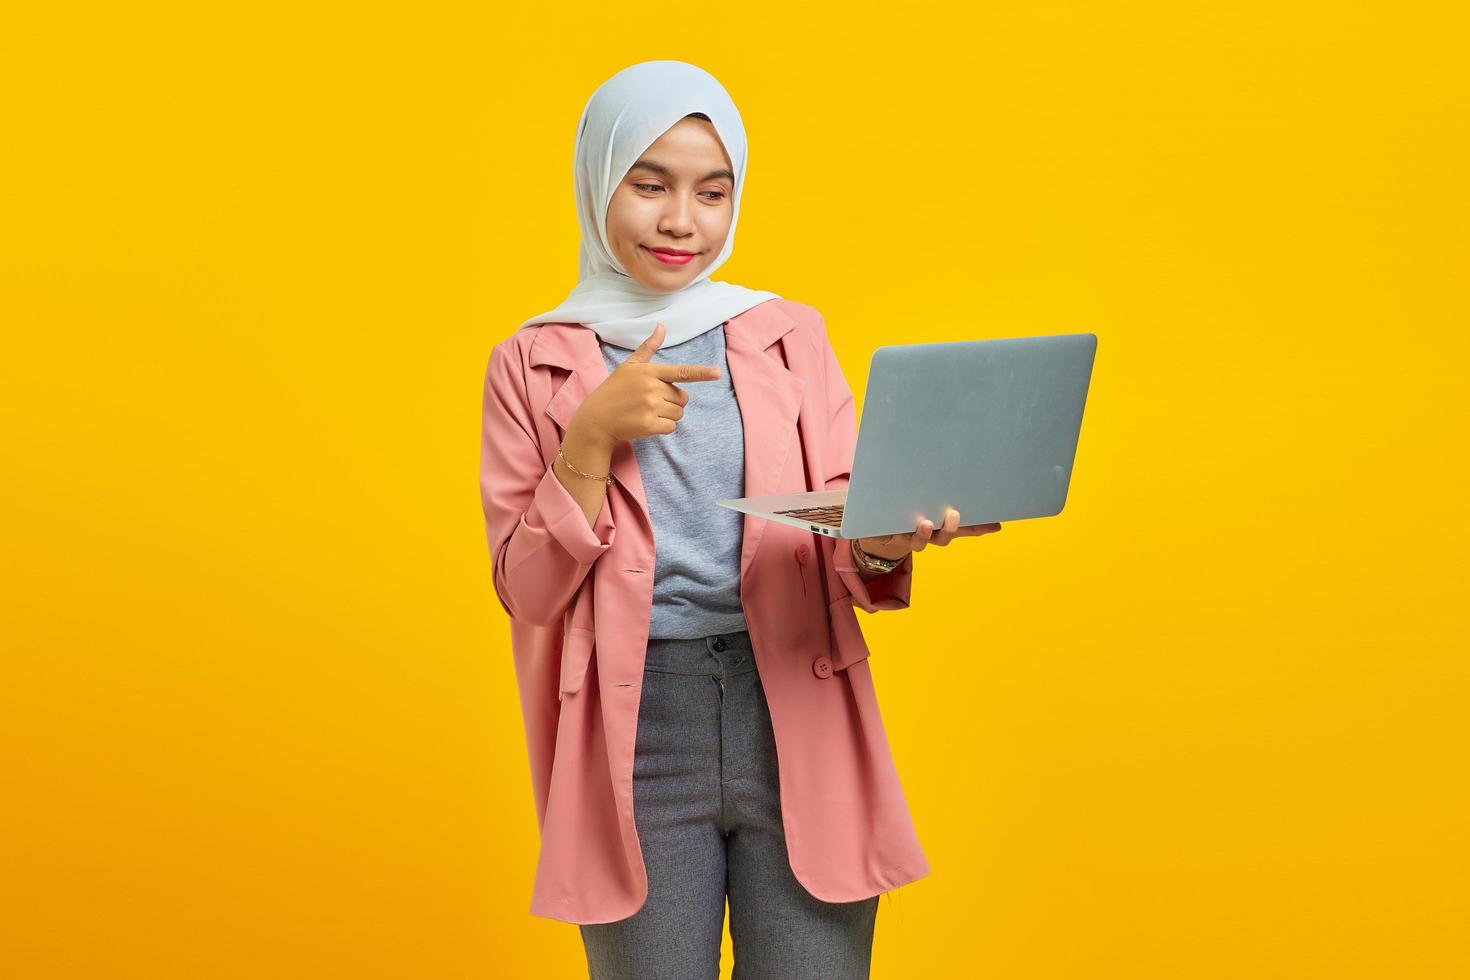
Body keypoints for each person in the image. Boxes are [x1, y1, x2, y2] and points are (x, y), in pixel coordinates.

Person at [479, 59, 1002, 979]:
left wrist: (889, 536)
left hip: (794, 703)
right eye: (650, 185)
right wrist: (591, 438)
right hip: (635, 729)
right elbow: (527, 594)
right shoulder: (533, 360)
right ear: (599, 179)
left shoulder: (787, 333)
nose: (683, 219)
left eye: (711, 192)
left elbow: (846, 533)